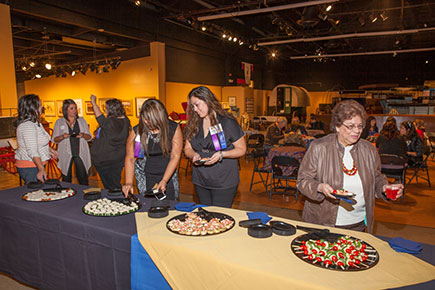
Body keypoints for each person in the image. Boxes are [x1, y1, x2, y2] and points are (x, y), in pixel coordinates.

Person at [296, 100, 403, 233]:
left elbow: (376, 177)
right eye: (350, 126)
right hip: (323, 223)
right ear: (337, 126)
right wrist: (319, 187)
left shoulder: (369, 150)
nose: (357, 131)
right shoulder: (319, 147)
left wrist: (384, 187)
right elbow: (302, 181)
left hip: (358, 225)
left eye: (360, 126)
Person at [184, 86, 246, 207]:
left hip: (224, 180)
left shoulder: (227, 121)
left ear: (207, 100)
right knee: (205, 216)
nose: (195, 109)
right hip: (201, 180)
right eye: (192, 106)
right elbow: (187, 149)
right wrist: (194, 154)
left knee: (219, 217)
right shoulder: (193, 123)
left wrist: (222, 154)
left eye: (197, 105)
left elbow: (242, 149)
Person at [122, 99, 182, 200]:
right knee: (147, 205)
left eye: (149, 119)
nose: (146, 122)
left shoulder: (173, 128)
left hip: (168, 174)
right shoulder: (139, 131)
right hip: (145, 175)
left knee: (170, 206)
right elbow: (131, 158)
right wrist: (128, 182)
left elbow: (175, 156)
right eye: (144, 119)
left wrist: (164, 180)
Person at [90, 95, 131, 190]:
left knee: (110, 186)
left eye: (107, 108)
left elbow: (99, 116)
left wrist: (93, 102)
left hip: (105, 160)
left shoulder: (110, 122)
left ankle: (116, 202)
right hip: (118, 158)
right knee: (115, 183)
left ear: (111, 109)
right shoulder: (125, 120)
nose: (105, 110)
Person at [15, 94, 57, 183]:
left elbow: (35, 143)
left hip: (36, 165)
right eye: (39, 104)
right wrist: (41, 169)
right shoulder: (28, 125)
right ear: (32, 107)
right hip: (30, 166)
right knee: (36, 193)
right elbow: (32, 150)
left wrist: (49, 150)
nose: (42, 106)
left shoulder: (35, 123)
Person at [52, 99, 92, 185]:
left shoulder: (81, 121)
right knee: (66, 178)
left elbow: (89, 137)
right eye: (72, 108)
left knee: (83, 177)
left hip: (80, 152)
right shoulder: (59, 122)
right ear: (66, 110)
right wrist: (63, 136)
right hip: (66, 153)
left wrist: (83, 135)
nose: (75, 110)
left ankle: (84, 195)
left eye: (75, 108)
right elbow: (54, 139)